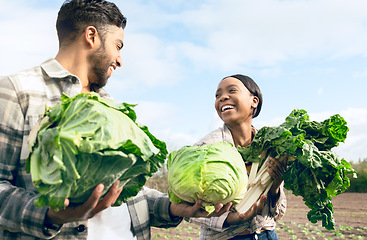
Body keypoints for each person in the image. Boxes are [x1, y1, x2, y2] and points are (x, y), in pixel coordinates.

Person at [0, 1, 240, 239]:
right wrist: (51, 215)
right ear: (91, 36)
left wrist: (171, 207)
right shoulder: (17, 91)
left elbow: (121, 190)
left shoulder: (110, 105)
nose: (120, 59)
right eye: (118, 45)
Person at [189, 74, 288, 240]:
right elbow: (188, 207)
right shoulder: (205, 148)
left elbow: (278, 212)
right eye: (217, 95)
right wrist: (230, 218)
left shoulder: (269, 146)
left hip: (267, 235)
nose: (223, 97)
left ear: (254, 101)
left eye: (232, 90)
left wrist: (276, 187)